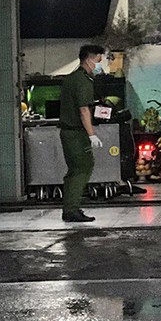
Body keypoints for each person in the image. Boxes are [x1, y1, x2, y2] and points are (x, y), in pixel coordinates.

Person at [58, 44, 105, 222]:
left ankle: (70, 208)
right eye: (99, 60)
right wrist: (91, 134)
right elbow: (84, 110)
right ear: (89, 59)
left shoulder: (71, 78)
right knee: (82, 168)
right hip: (76, 134)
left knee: (74, 171)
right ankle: (71, 209)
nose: (100, 65)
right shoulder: (82, 81)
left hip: (68, 132)